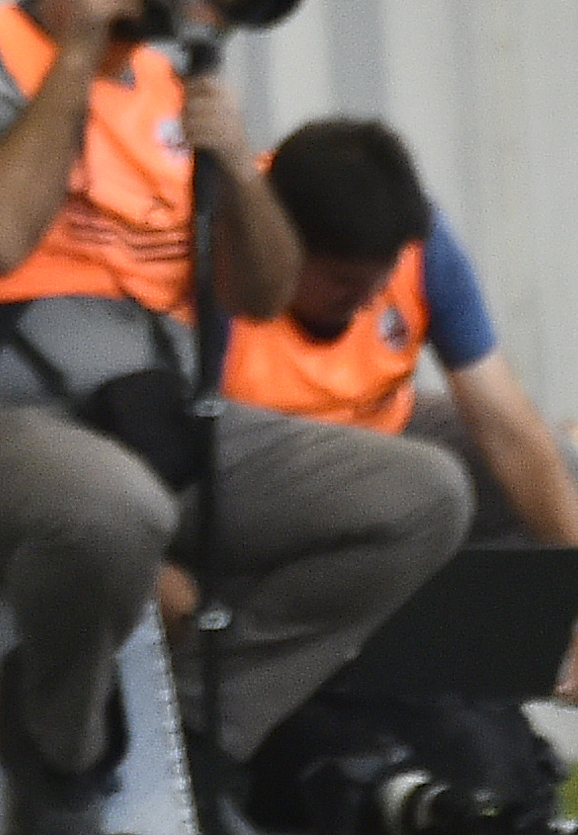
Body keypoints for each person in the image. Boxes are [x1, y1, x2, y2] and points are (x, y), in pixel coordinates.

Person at [0, 0, 471, 835]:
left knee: (419, 494)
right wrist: (78, 51)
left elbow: (263, 292)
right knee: (110, 508)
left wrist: (233, 155)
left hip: (148, 423)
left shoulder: (172, 87)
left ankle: (191, 733)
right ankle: (62, 757)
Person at [227, 119, 578, 545]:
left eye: (381, 277)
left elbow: (503, 421)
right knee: (429, 486)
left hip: (383, 430)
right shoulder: (222, 242)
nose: (369, 299)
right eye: (343, 281)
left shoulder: (424, 244)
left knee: (557, 464)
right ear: (280, 243)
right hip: (259, 464)